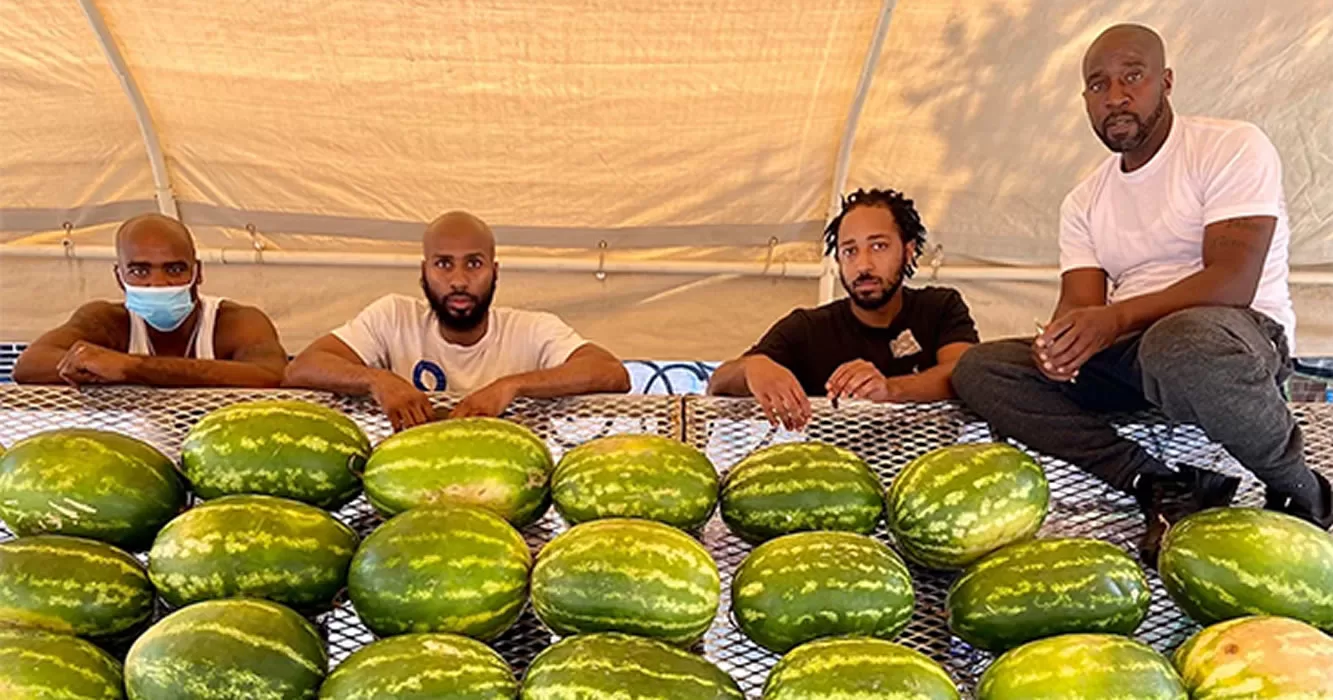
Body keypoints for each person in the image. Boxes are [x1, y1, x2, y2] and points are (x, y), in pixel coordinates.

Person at [952, 24, 1333, 565]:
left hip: (1234, 340)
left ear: (1166, 81)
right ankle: (1158, 482)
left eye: (1132, 77)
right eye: (1098, 85)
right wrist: (1060, 345)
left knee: (1177, 343)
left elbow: (1232, 281)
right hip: (1137, 351)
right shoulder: (1084, 201)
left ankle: (1302, 488)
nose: (1116, 97)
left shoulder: (1230, 146)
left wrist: (1112, 320)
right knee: (984, 368)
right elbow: (1081, 307)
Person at [283, 211, 630, 430]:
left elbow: (611, 372)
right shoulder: (392, 316)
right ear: (424, 270)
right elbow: (301, 368)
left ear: (495, 271)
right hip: (411, 500)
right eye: (444, 264)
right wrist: (377, 380)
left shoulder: (532, 329)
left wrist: (510, 386)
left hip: (510, 509)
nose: (460, 280)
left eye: (474, 264)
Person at [708, 188, 979, 430]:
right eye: (850, 251)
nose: (863, 265)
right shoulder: (808, 328)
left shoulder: (940, 308)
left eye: (878, 246)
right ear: (837, 259)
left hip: (929, 474)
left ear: (908, 252)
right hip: (833, 479)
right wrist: (753, 368)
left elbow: (964, 374)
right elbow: (718, 384)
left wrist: (889, 389)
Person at [13, 214, 287, 387]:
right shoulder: (106, 321)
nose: (157, 283)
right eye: (140, 271)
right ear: (119, 277)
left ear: (198, 272)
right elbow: (30, 365)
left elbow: (272, 375)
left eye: (175, 269)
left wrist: (131, 367)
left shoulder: (237, 322)